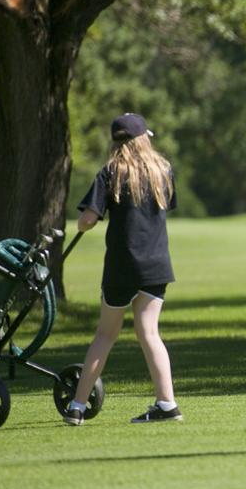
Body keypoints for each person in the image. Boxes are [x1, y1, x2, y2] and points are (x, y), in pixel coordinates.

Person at [64, 113, 181, 425]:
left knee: (105, 334)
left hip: (121, 267)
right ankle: (167, 403)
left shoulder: (111, 172)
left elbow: (88, 219)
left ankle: (77, 406)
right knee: (150, 333)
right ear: (144, 138)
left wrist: (81, 223)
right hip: (156, 265)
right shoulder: (163, 170)